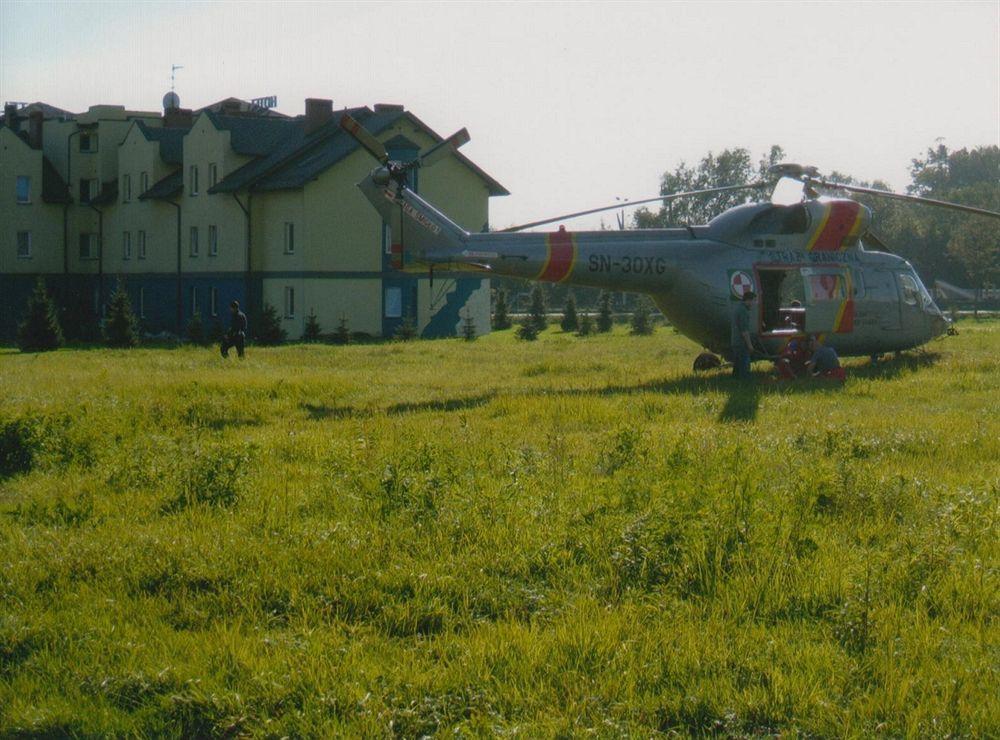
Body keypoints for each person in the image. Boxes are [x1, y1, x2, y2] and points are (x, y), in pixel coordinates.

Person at [730, 290, 757, 380]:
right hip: (741, 343)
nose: (753, 303)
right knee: (745, 364)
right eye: (753, 300)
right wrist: (750, 345)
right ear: (748, 300)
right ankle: (745, 383)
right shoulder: (743, 311)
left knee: (737, 365)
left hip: (735, 341)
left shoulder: (738, 309)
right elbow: (744, 331)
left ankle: (736, 381)